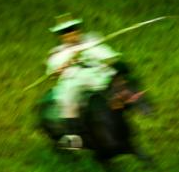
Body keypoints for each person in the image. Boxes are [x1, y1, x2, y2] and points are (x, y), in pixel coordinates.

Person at [46, 14, 122, 149]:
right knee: (68, 99)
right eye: (66, 32)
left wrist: (107, 59)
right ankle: (72, 137)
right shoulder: (58, 53)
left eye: (73, 29)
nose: (71, 34)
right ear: (61, 36)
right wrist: (63, 66)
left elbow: (108, 56)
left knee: (114, 82)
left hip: (97, 74)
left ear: (78, 30)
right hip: (74, 79)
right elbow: (53, 71)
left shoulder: (91, 41)